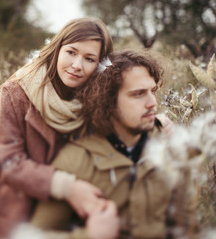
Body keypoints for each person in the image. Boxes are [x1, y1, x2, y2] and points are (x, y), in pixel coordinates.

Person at [0, 17, 115, 239]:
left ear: (99, 65)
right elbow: (6, 161)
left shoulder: (94, 99)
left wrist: (156, 123)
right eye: (71, 52)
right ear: (57, 49)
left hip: (49, 214)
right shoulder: (18, 92)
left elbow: (127, 111)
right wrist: (67, 187)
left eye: (89, 58)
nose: (77, 65)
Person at [30, 50, 198, 239]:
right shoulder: (74, 161)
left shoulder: (170, 146)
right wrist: (89, 236)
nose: (153, 103)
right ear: (107, 102)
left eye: (152, 91)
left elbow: (188, 226)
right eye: (138, 94)